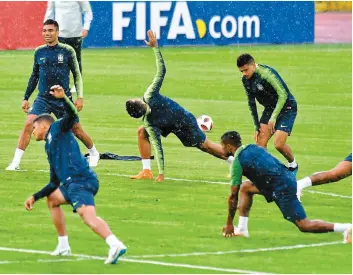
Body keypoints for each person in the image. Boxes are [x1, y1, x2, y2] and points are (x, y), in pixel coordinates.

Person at [24, 85, 127, 264]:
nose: (32, 132)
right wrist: (35, 196)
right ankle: (63, 246)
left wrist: (63, 98)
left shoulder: (58, 128)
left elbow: (72, 115)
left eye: (34, 128)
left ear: (42, 125)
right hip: (71, 185)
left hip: (81, 181)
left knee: (88, 218)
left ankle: (114, 243)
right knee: (53, 199)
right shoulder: (49, 146)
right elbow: (54, 182)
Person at [126, 30, 233, 182]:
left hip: (184, 121)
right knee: (142, 132)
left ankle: (234, 161)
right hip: (170, 122)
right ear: (141, 102)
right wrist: (155, 48)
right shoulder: (149, 102)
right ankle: (146, 170)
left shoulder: (148, 118)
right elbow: (162, 71)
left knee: (206, 147)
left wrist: (162, 174)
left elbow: (158, 147)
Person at [220, 131, 351, 243]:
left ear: (229, 146)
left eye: (222, 146)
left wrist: (229, 223)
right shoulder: (253, 148)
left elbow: (233, 196)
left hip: (282, 188)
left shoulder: (237, 163)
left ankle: (345, 228)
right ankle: (242, 229)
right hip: (284, 179)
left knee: (304, 225)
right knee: (246, 188)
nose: (222, 150)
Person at [6, 19, 99, 171]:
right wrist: (25, 97)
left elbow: (77, 75)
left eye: (50, 30)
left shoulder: (68, 51)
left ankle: (94, 153)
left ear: (57, 32)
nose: (47, 33)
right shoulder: (39, 52)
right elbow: (34, 76)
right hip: (43, 98)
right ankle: (15, 162)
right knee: (29, 124)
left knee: (76, 130)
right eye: (44, 31)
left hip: (62, 99)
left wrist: (80, 97)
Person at [237, 54, 298, 173]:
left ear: (253, 65)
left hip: (287, 107)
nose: (244, 73)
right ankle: (267, 172)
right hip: (270, 108)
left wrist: (273, 118)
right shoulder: (245, 80)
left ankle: (293, 165)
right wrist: (256, 126)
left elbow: (283, 95)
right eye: (241, 71)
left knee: (279, 144)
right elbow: (251, 103)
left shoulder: (266, 74)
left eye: (246, 70)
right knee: (260, 145)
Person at [44, 1, 92, 75]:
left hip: (75, 35)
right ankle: (61, 84)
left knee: (76, 63)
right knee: (59, 62)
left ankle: (77, 86)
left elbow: (87, 11)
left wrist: (86, 27)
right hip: (59, 35)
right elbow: (50, 12)